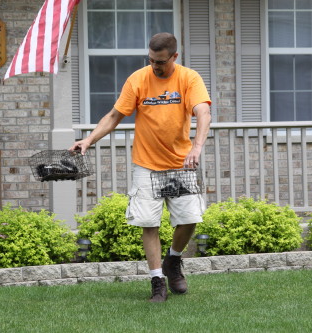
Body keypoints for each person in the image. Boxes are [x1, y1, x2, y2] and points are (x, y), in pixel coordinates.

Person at [70, 32, 211, 302]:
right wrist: (88, 140)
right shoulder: (138, 79)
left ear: (174, 57)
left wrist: (196, 147)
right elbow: (114, 116)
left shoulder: (188, 78)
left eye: (160, 62)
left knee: (190, 219)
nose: (155, 66)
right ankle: (157, 280)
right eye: (151, 60)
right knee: (149, 223)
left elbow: (203, 112)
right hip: (146, 164)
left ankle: (173, 260)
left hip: (181, 162)